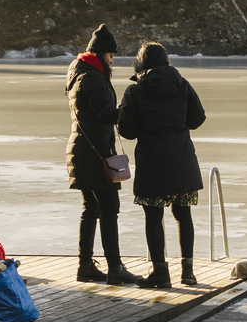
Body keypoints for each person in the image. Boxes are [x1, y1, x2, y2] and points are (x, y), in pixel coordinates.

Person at [118, 41, 208, 289]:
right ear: (166, 60)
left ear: (141, 62)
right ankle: (188, 273)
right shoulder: (182, 84)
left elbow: (127, 131)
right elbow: (198, 119)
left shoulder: (134, 91)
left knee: (153, 217)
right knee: (183, 214)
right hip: (182, 160)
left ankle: (160, 273)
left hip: (152, 162)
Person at [67, 24, 144, 285]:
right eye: (111, 55)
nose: (113, 60)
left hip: (81, 150)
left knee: (91, 209)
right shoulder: (92, 77)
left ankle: (85, 266)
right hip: (94, 153)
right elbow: (104, 115)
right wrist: (127, 107)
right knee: (109, 209)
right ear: (100, 54)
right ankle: (115, 267)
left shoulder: (81, 73)